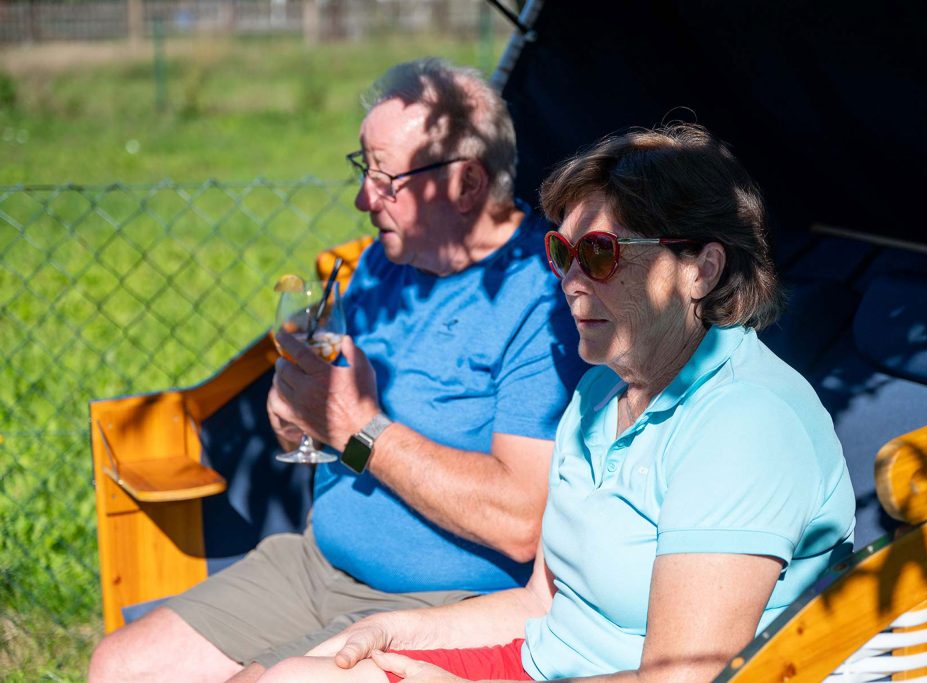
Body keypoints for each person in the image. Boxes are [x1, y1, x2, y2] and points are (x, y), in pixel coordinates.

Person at [256, 123, 857, 683]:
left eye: (599, 253)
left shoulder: (745, 426)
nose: (571, 280)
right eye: (562, 254)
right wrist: (391, 627)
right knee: (299, 672)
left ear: (701, 268)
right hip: (541, 665)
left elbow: (682, 677)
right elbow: (541, 604)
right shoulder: (600, 392)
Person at [88, 58, 588, 682]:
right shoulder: (385, 263)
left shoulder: (545, 301)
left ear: (465, 184)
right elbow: (332, 404)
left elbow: (520, 523)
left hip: (449, 603)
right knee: (121, 665)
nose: (361, 199)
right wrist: (298, 409)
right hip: (316, 564)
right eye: (363, 170)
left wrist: (360, 429)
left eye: (384, 178)